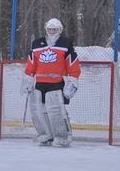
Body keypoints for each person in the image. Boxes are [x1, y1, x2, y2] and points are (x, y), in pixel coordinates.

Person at [21, 18, 81, 147]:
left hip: (57, 83)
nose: (52, 31)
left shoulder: (66, 43)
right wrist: (28, 79)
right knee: (39, 111)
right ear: (46, 29)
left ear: (60, 30)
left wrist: (73, 81)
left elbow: (72, 63)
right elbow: (31, 63)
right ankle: (46, 134)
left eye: (55, 29)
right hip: (40, 83)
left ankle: (62, 137)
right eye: (50, 29)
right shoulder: (36, 43)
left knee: (56, 111)